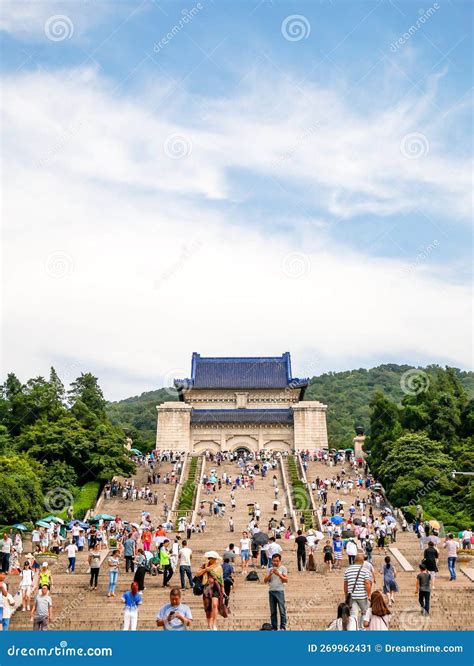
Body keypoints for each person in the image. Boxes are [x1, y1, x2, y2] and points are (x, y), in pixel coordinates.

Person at [195, 551, 227, 630]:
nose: (212, 559)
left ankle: (214, 624)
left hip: (216, 587)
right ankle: (209, 625)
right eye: (211, 558)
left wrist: (223, 590)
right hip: (207, 587)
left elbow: (221, 579)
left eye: (213, 558)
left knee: (215, 604)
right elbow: (197, 574)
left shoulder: (219, 567)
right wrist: (206, 569)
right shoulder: (204, 565)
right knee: (207, 607)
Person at [343, 553, 372, 627]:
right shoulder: (365, 570)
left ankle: (353, 628)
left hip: (351, 596)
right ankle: (362, 628)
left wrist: (346, 595)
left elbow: (345, 584)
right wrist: (369, 595)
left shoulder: (348, 570)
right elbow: (367, 583)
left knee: (353, 615)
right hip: (362, 596)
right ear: (362, 561)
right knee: (364, 612)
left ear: (354, 560)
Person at [263, 553, 288, 631]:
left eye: (277, 561)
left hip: (280, 591)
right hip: (271, 591)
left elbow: (286, 580)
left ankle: (283, 626)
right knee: (273, 611)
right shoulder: (269, 569)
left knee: (282, 610)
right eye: (274, 561)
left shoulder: (283, 568)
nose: (275, 562)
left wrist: (279, 574)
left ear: (279, 561)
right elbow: (265, 580)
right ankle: (274, 627)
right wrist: (270, 574)